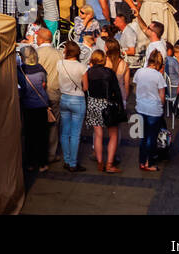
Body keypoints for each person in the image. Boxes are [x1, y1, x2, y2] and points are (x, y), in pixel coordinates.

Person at [85, 50, 123, 173]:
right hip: (107, 105)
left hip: (93, 103)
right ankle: (109, 164)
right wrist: (120, 108)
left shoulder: (88, 72)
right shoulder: (109, 73)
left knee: (98, 134)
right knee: (113, 134)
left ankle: (100, 162)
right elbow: (117, 92)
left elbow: (85, 89)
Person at [17, 46, 51, 173]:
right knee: (42, 135)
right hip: (41, 106)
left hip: (27, 106)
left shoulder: (20, 71)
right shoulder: (41, 70)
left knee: (29, 135)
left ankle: (30, 162)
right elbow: (44, 85)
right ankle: (43, 162)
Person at [57, 41, 88, 173]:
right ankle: (73, 163)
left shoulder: (60, 64)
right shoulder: (82, 67)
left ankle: (67, 160)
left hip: (64, 98)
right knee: (75, 134)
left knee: (65, 132)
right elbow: (86, 87)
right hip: (78, 99)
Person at [134, 50, 167, 172]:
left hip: (140, 108)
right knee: (151, 138)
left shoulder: (139, 72)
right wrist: (161, 107)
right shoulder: (158, 76)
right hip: (154, 110)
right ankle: (150, 162)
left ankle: (142, 161)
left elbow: (136, 88)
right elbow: (162, 96)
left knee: (142, 137)